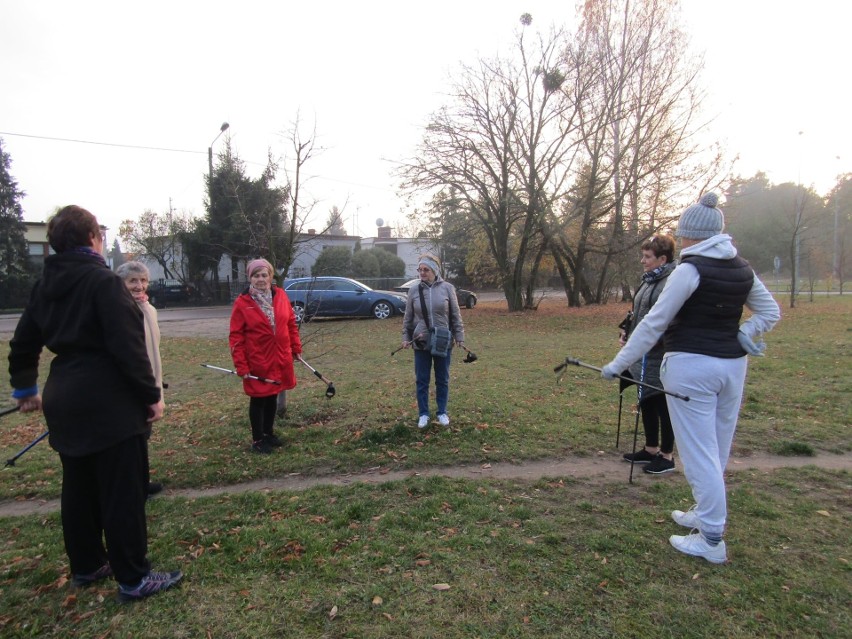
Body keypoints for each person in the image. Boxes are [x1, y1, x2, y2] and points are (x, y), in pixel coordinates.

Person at [7, 205, 182, 601]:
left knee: (80, 486)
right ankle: (134, 577)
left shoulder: (44, 285)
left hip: (64, 395)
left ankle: (87, 565)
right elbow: (128, 347)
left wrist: (25, 389)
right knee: (123, 491)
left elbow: (23, 344)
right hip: (109, 401)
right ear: (91, 239)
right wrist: (150, 396)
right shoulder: (103, 283)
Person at [602, 193, 781, 564]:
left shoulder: (690, 269)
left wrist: (620, 361)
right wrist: (749, 332)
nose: (681, 241)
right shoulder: (741, 267)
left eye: (683, 235)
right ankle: (704, 512)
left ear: (693, 236)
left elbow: (654, 323)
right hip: (732, 367)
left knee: (700, 453)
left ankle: (712, 538)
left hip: (692, 368)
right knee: (715, 447)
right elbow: (769, 311)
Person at [619, 235, 678, 475]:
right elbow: (639, 312)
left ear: (662, 259)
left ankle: (667, 456)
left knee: (663, 403)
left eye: (647, 257)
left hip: (660, 353)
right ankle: (650, 449)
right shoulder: (649, 280)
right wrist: (626, 329)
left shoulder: (671, 282)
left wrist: (652, 342)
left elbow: (670, 319)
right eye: (642, 256)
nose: (642, 261)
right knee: (647, 400)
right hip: (643, 353)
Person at [229, 258, 302, 453]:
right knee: (259, 398)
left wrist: (295, 346)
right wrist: (241, 365)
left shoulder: (280, 296)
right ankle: (258, 440)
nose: (260, 279)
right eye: (256, 275)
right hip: (257, 359)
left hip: (279, 356)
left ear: (270, 276)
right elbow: (236, 337)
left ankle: (269, 433)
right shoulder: (242, 303)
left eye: (264, 275)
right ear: (250, 278)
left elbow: (290, 323)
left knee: (272, 396)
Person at [115, 261, 165, 496]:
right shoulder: (116, 309)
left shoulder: (149, 309)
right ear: (121, 283)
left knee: (144, 435)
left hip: (151, 378)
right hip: (129, 384)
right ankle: (131, 487)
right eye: (133, 280)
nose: (139, 285)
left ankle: (142, 482)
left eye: (143, 280)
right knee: (131, 438)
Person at [401, 254, 465, 429]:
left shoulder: (447, 288)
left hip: (443, 340)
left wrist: (459, 336)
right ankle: (423, 414)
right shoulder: (414, 291)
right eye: (420, 270)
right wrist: (406, 338)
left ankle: (442, 412)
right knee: (422, 380)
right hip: (421, 342)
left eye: (426, 270)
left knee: (442, 378)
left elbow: (455, 315)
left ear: (434, 270)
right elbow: (408, 318)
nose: (422, 273)